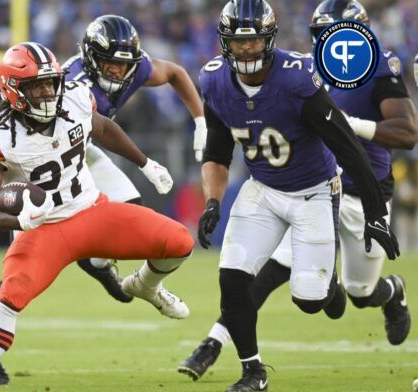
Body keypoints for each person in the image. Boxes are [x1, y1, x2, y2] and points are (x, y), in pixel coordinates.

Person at [178, 0, 416, 383]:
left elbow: (404, 133)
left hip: (355, 186)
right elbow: (220, 147)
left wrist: (348, 126)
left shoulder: (368, 70)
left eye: (338, 36)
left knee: (357, 291)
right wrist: (213, 200)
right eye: (321, 35)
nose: (331, 45)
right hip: (290, 184)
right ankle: (221, 347)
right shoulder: (287, 68)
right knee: (254, 274)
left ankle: (389, 291)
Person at [0, 14, 207, 385]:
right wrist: (17, 217)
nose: (117, 70)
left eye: (124, 64)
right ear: (91, 58)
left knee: (140, 221)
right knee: (20, 277)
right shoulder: (67, 86)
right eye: (110, 63)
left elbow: (166, 78)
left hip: (80, 150)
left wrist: (189, 130)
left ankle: (131, 277)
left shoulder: (106, 79)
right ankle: (90, 264)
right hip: (50, 164)